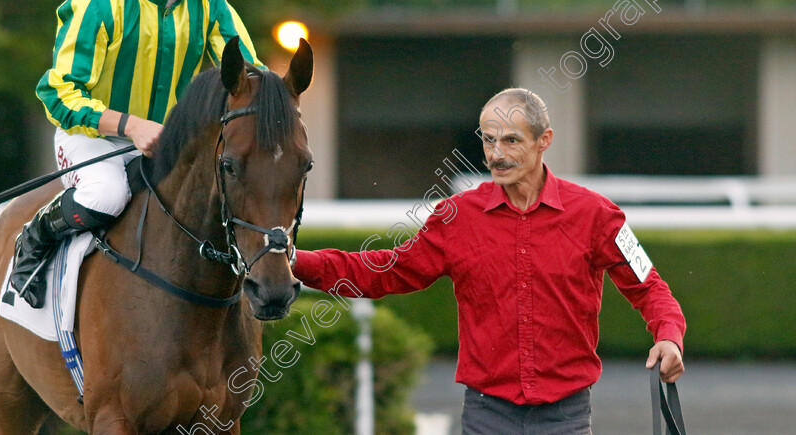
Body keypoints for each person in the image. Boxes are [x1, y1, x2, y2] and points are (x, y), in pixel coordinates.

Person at [293, 88, 686, 434]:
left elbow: (648, 286)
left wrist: (668, 335)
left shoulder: (597, 215)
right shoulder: (454, 217)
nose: (496, 154)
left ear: (543, 140)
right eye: (489, 140)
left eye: (511, 141)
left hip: (567, 417)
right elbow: (385, 272)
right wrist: (293, 261)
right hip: (485, 415)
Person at [10, 0, 263, 309]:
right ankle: (35, 239)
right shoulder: (97, 2)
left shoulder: (212, 6)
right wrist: (130, 125)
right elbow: (58, 94)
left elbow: (249, 80)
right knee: (105, 196)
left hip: (166, 144)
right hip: (94, 138)